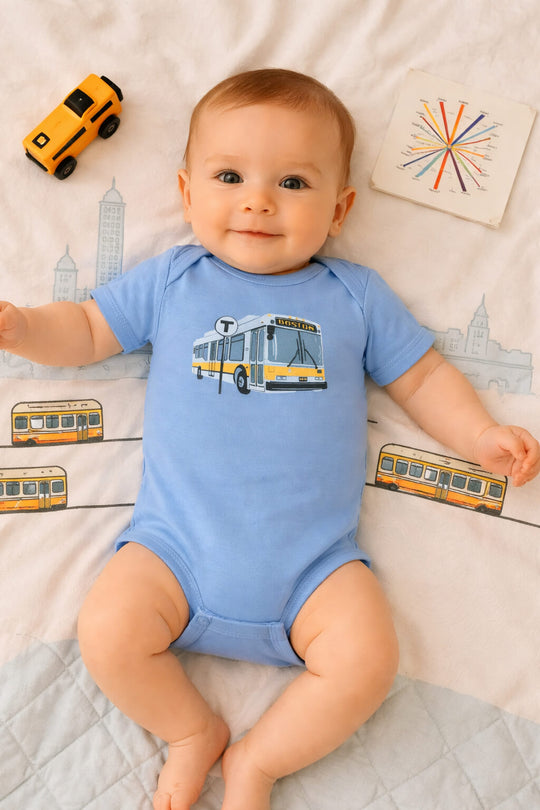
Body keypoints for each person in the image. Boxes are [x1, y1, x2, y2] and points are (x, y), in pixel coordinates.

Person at [1, 69, 539, 810]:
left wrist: (479, 433)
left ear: (340, 208)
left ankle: (259, 762)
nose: (257, 200)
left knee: (367, 661)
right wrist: (27, 328)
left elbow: (420, 377)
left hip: (314, 569)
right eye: (229, 176)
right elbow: (91, 329)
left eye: (292, 182)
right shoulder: (173, 280)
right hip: (173, 551)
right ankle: (192, 732)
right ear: (187, 194)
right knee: (109, 633)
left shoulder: (354, 296)